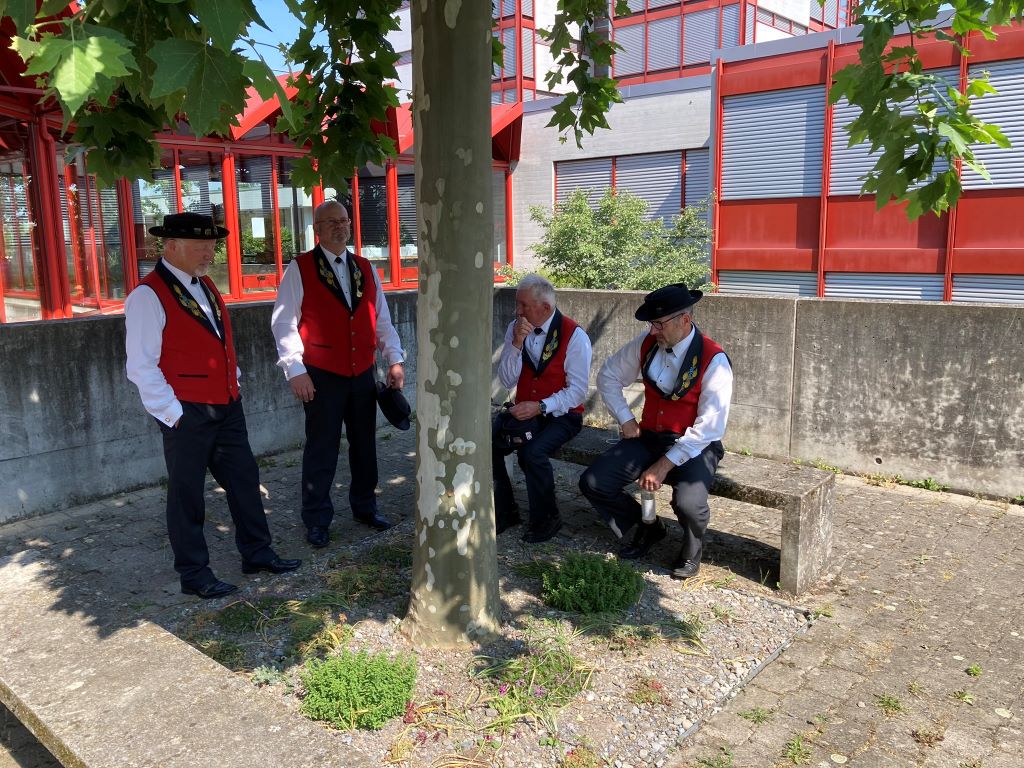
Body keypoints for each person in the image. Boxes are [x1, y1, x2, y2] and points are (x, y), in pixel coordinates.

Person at [125, 212, 301, 599]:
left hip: (226, 403)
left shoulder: (204, 284)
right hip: (186, 411)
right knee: (187, 494)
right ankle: (194, 573)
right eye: (200, 246)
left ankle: (257, 552)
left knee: (244, 481)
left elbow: (217, 342)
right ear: (172, 246)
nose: (209, 253)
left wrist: (233, 380)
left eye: (212, 245)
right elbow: (140, 366)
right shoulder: (148, 295)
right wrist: (174, 415)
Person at [271, 200, 405, 549]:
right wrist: (295, 370)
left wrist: (394, 359)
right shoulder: (300, 268)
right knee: (322, 448)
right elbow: (284, 323)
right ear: (317, 228)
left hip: (361, 371)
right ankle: (316, 520)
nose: (339, 226)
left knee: (365, 445)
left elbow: (382, 320)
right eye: (331, 222)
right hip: (321, 374)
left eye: (344, 220)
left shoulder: (366, 268)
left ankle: (366, 507)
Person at [579, 283, 732, 579]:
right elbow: (608, 375)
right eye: (651, 324)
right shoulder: (647, 343)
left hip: (695, 444)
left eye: (658, 324)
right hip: (650, 437)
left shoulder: (714, 359)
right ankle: (647, 528)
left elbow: (710, 426)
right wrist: (625, 418)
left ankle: (691, 552)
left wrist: (662, 466)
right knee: (594, 482)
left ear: (684, 320)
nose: (652, 330)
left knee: (689, 503)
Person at [493, 274, 592, 543]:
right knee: (491, 444)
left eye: (523, 305)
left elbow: (577, 392)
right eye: (517, 304)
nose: (518, 311)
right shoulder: (516, 329)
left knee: (532, 453)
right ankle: (505, 510)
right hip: (526, 410)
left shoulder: (575, 336)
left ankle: (548, 518)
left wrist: (541, 406)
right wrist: (516, 344)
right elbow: (506, 380)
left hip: (563, 415)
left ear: (545, 307)